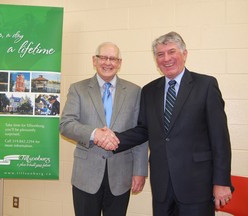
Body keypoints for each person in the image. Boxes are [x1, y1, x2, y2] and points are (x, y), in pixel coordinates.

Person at [97, 32, 233, 216]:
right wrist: (111, 139)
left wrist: (222, 181)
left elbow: (220, 138)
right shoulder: (149, 90)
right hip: (162, 186)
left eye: (172, 52)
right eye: (160, 54)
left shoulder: (206, 85)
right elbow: (143, 130)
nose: (166, 58)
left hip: (197, 185)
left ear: (184, 54)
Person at [60, 42, 148, 216]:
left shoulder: (135, 91)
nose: (108, 62)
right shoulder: (78, 89)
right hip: (86, 176)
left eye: (113, 59)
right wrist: (94, 134)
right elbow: (66, 124)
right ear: (94, 60)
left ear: (119, 63)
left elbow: (140, 134)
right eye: (103, 58)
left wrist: (139, 171)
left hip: (121, 176)